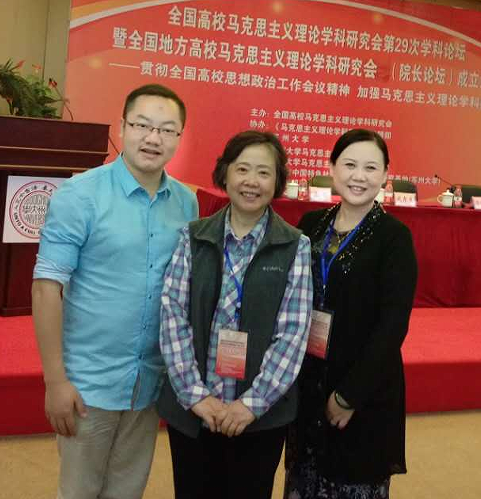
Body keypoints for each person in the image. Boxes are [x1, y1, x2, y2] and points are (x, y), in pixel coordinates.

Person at [32, 83, 198, 499]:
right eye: (142, 125)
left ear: (179, 137)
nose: (153, 138)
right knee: (79, 490)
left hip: (149, 381)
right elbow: (47, 288)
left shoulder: (186, 203)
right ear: (122, 127)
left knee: (127, 490)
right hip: (88, 382)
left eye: (167, 129)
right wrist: (55, 381)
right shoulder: (80, 194)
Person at [158, 130, 313, 499]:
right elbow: (172, 316)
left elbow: (293, 334)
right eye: (242, 169)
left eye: (264, 172)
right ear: (225, 173)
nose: (251, 181)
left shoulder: (295, 245)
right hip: (193, 412)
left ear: (277, 181)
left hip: (259, 418)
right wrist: (195, 396)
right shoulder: (193, 236)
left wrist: (250, 405)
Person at [284, 128, 418, 499]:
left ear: (386, 174)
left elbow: (393, 326)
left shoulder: (394, 237)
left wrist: (349, 396)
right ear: (332, 168)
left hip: (362, 385)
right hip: (310, 378)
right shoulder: (311, 225)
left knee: (351, 480)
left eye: (371, 168)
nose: (359, 176)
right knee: (305, 479)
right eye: (349, 165)